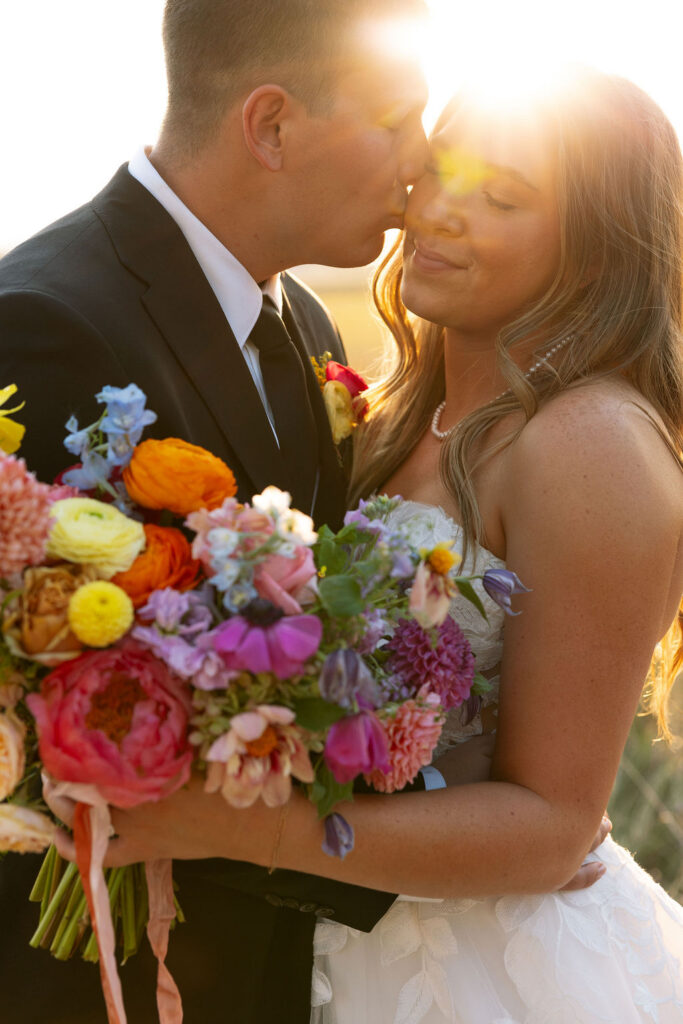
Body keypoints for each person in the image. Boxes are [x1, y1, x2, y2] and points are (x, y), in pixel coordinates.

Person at [70, 67, 683, 1022]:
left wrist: (229, 825)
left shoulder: (590, 444)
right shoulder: (407, 409)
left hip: (490, 971)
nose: (437, 211)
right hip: (345, 939)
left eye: (501, 197)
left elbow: (551, 828)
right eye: (441, 169)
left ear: (595, 254)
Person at [0, 2, 432, 1021]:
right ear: (272, 124)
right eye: (396, 120)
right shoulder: (46, 324)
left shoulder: (305, 314)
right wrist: (457, 860)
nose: (421, 162)